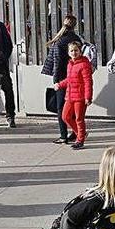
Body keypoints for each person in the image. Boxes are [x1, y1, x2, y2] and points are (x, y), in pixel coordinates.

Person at [46, 15, 82, 144]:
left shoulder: (59, 41)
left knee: (61, 107)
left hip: (63, 77)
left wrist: (56, 80)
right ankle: (75, 132)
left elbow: (57, 63)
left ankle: (63, 135)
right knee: (73, 107)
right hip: (75, 76)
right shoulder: (77, 39)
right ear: (75, 25)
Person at [54, 41, 93, 150]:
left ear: (80, 51)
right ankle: (81, 134)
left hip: (80, 97)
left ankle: (80, 140)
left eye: (76, 50)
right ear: (68, 52)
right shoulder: (70, 64)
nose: (74, 52)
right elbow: (70, 80)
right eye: (71, 50)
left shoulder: (84, 64)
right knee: (65, 116)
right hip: (70, 96)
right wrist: (60, 84)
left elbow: (88, 82)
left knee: (79, 119)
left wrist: (88, 97)